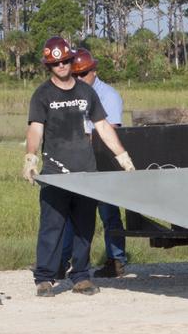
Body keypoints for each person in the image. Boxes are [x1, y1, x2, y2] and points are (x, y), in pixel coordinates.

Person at [23, 36, 136, 297]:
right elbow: (35, 128)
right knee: (52, 225)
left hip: (86, 171)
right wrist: (30, 157)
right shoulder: (42, 95)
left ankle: (81, 277)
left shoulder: (87, 93)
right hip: (55, 171)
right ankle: (44, 277)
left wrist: (123, 156)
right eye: (56, 63)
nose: (61, 66)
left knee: (85, 227)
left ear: (71, 60)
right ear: (48, 66)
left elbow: (103, 126)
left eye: (65, 60)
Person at [58, 48, 129, 278]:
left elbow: (111, 129)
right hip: (78, 162)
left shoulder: (108, 95)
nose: (78, 78)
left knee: (108, 213)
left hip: (103, 162)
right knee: (71, 214)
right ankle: (63, 262)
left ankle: (116, 260)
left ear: (94, 70)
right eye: (75, 74)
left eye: (83, 73)